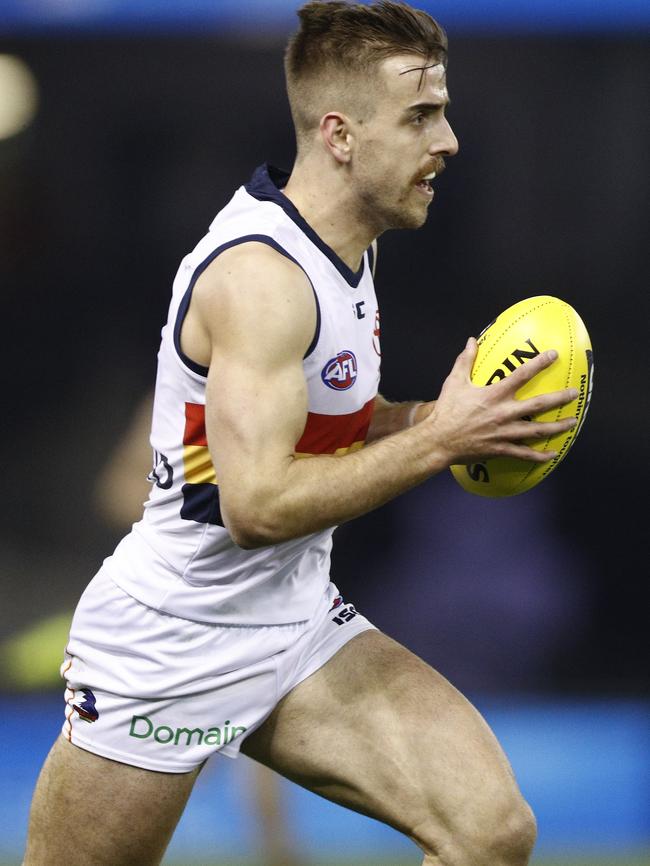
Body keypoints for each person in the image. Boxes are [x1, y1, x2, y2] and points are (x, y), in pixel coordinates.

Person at [23, 3, 579, 864]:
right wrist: (437, 445)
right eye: (421, 116)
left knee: (490, 831)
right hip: (172, 641)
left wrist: (442, 417)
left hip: (296, 625)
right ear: (340, 134)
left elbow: (328, 422)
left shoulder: (348, 246)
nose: (451, 141)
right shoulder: (261, 279)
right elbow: (258, 506)